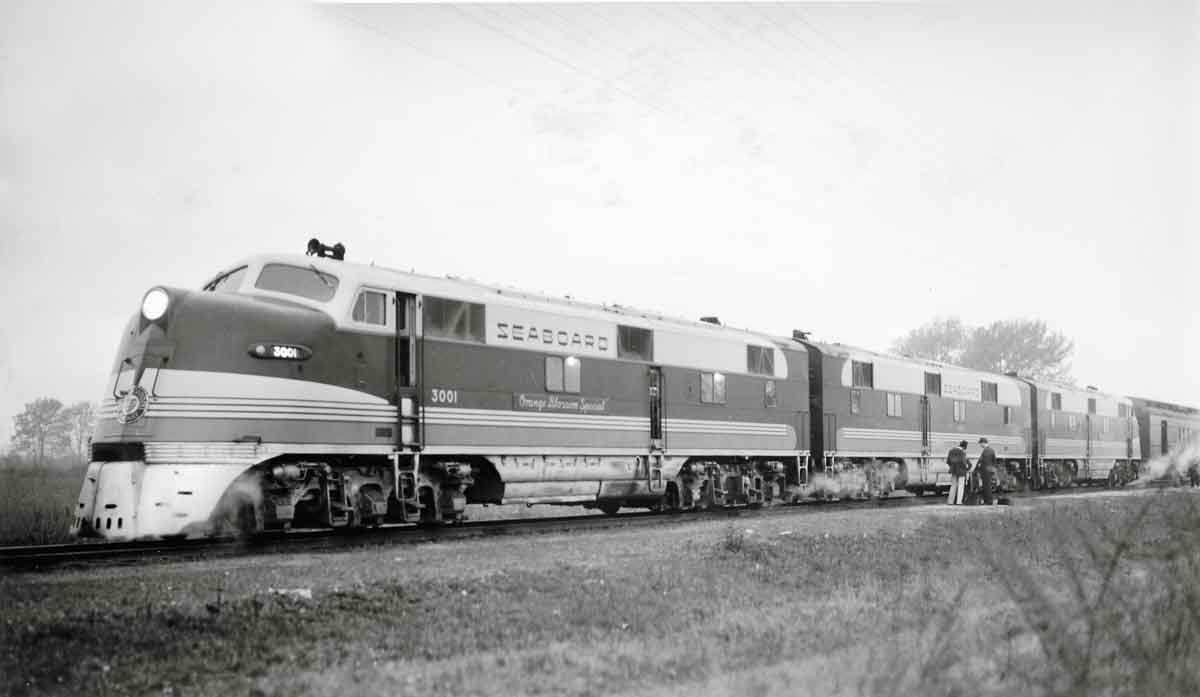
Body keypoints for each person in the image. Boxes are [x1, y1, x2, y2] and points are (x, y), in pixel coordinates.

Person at [946, 440, 969, 505]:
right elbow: (964, 462)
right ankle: (959, 502)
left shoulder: (951, 450)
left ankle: (950, 501)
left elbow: (948, 461)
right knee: (961, 486)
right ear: (964, 447)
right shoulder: (962, 452)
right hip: (961, 471)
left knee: (953, 485)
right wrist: (966, 468)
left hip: (953, 470)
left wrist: (952, 467)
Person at [977, 437, 998, 505]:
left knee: (986, 486)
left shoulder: (986, 451)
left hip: (985, 470)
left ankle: (988, 501)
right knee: (987, 485)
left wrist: (978, 469)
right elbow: (994, 461)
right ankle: (988, 501)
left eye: (980, 444)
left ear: (983, 443)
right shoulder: (991, 450)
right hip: (989, 470)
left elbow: (983, 461)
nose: (980, 445)